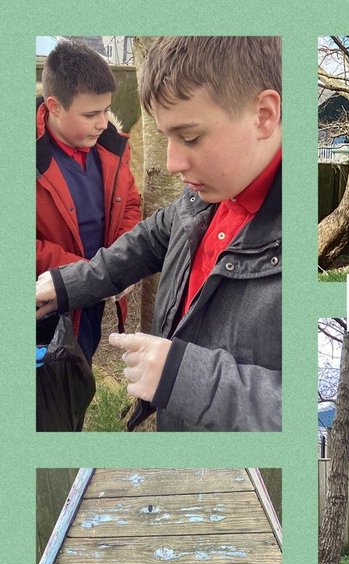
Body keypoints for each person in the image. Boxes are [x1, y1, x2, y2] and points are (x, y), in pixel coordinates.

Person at [35, 36, 282, 432]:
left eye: (190, 137)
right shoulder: (208, 192)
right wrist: (67, 283)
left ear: (264, 115)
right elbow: (149, 238)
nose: (171, 163)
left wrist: (183, 377)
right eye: (166, 136)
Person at [36, 40, 142, 370]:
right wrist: (85, 274)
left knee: (76, 385)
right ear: (54, 107)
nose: (102, 122)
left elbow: (130, 204)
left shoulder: (110, 147)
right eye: (91, 114)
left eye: (106, 110)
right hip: (43, 307)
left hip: (92, 302)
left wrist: (118, 264)